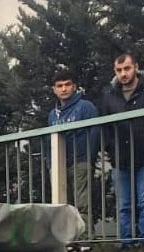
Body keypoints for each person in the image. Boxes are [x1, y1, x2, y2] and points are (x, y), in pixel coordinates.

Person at [100, 53, 144, 250]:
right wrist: (110, 148)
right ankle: (126, 243)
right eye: (119, 70)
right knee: (124, 203)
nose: (123, 74)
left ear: (136, 67)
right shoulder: (109, 95)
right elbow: (105, 127)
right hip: (120, 157)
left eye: (127, 68)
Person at [47, 70, 101, 222]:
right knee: (61, 206)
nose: (64, 89)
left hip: (80, 162)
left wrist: (88, 158)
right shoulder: (52, 114)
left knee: (82, 204)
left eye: (67, 84)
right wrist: (50, 164)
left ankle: (85, 241)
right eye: (60, 86)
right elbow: (49, 141)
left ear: (74, 86)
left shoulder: (86, 106)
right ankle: (68, 242)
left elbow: (95, 133)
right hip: (59, 165)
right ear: (54, 89)